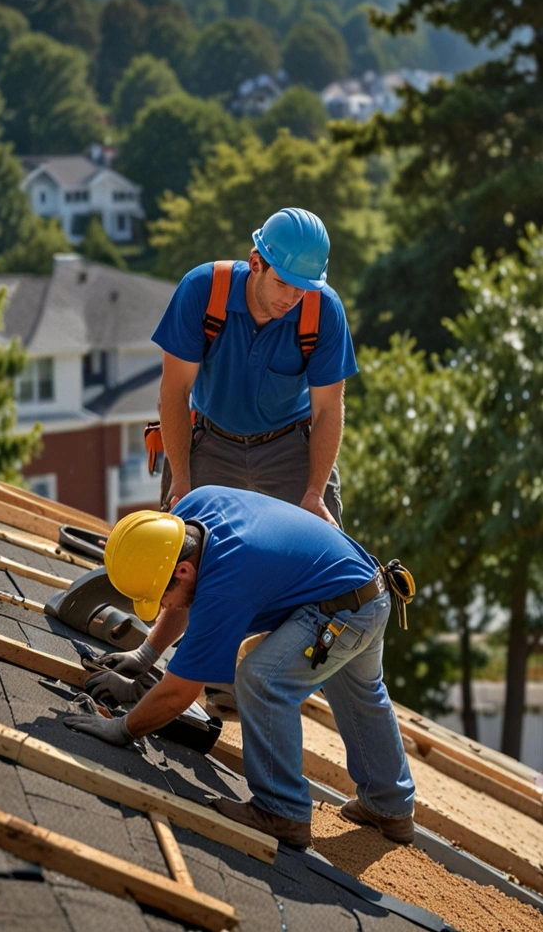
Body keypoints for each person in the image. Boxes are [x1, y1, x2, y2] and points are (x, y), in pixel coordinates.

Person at [64, 486, 416, 850]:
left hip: (342, 610)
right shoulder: (188, 518)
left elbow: (180, 693)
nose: (160, 605)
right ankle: (389, 807)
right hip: (366, 589)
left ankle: (282, 811)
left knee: (262, 679)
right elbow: (182, 600)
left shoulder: (225, 580)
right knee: (361, 693)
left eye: (158, 596)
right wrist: (145, 655)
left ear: (183, 570)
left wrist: (121, 729)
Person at [152, 207, 358, 528]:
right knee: (181, 557)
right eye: (282, 283)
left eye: (302, 287)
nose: (291, 298)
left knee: (325, 563)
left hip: (291, 451)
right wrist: (181, 480)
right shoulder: (202, 292)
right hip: (211, 444)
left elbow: (329, 409)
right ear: (255, 264)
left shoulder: (323, 311)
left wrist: (315, 492)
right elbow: (174, 393)